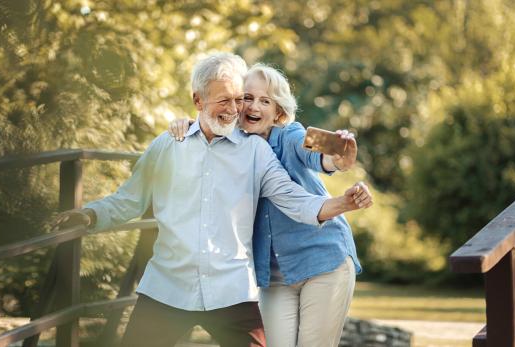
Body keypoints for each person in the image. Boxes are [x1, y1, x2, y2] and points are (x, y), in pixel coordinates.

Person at [52, 53, 373, 347]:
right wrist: (89, 216)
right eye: (228, 100)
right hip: (168, 287)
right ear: (197, 99)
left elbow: (295, 195)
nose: (236, 109)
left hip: (233, 290)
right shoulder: (168, 145)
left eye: (239, 100)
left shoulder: (261, 148)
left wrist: (341, 191)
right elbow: (129, 199)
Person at [168, 63, 369, 347]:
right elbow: (203, 131)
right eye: (247, 98)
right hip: (274, 276)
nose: (255, 106)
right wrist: (187, 124)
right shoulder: (228, 145)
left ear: (279, 112)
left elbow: (318, 153)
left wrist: (338, 155)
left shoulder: (290, 136)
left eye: (266, 101)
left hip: (324, 261)